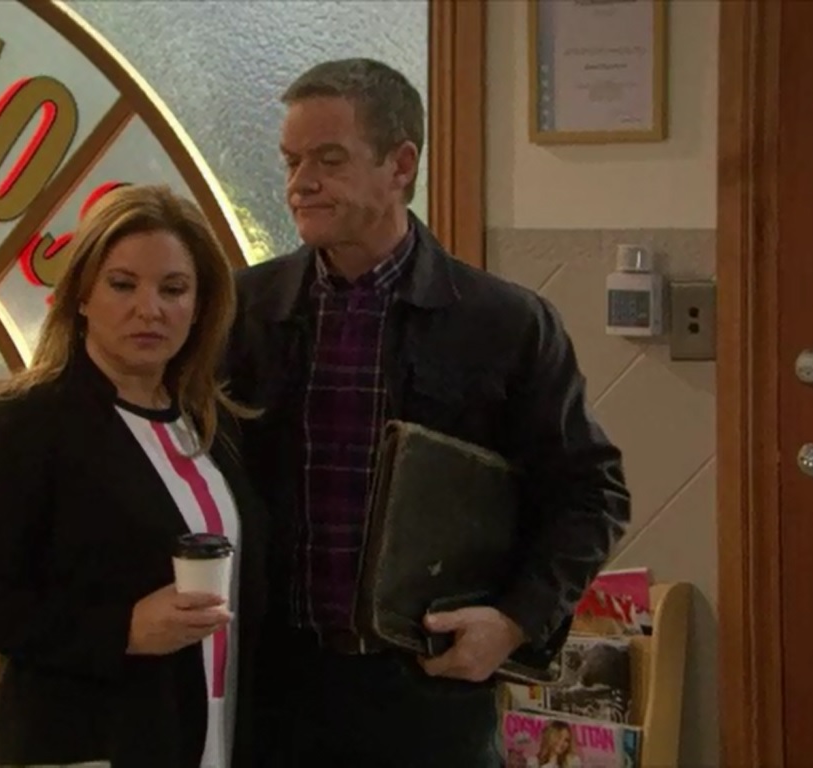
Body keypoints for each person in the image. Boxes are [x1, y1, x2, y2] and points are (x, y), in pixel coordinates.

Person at [224, 58, 631, 767]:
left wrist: (514, 622)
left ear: (401, 164)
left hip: (427, 690)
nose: (300, 183)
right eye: (291, 161)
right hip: (269, 691)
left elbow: (590, 494)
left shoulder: (504, 323)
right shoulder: (238, 311)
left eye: (329, 159)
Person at [0, 184, 265, 768]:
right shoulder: (23, 425)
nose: (150, 309)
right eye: (123, 284)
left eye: (173, 289)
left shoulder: (212, 425)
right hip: (87, 743)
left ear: (200, 306)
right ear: (82, 295)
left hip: (210, 735)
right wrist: (122, 630)